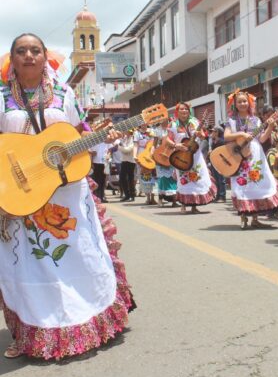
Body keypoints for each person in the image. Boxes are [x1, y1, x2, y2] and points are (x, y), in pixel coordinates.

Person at [0, 33, 133, 359]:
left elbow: (78, 132)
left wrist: (103, 135)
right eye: (22, 51)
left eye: (36, 50)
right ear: (12, 59)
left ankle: (90, 322)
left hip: (66, 193)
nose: (29, 55)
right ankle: (28, 333)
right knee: (27, 266)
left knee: (77, 256)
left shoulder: (64, 92)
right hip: (20, 195)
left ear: (46, 57)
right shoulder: (2, 96)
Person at [224, 90, 278, 229]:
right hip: (239, 155)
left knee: (256, 183)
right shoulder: (231, 120)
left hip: (255, 154)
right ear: (235, 104)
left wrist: (269, 126)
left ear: (249, 103)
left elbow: (262, 138)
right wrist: (241, 134)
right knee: (241, 184)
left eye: (245, 101)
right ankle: (244, 217)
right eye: (239, 101)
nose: (243, 104)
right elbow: (227, 136)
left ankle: (255, 218)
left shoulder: (256, 120)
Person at [166, 102, 216, 214]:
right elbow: (167, 140)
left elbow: (204, 135)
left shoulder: (195, 121)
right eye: (181, 109)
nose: (184, 111)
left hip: (196, 155)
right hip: (181, 155)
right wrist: (176, 145)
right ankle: (183, 205)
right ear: (177, 111)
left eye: (186, 109)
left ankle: (194, 205)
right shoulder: (172, 124)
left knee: (197, 179)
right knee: (184, 180)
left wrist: (201, 135)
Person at [154, 118, 178, 207]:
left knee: (173, 177)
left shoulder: (173, 127)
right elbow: (154, 144)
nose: (163, 120)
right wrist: (154, 154)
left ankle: (174, 201)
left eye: (165, 118)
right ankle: (160, 200)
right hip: (161, 155)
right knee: (161, 179)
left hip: (172, 154)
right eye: (161, 118)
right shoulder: (157, 130)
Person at [209, 125, 227, 202]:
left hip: (220, 162)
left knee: (221, 179)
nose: (212, 133)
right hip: (214, 162)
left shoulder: (221, 141)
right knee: (216, 179)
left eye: (214, 131)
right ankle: (218, 195)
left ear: (217, 132)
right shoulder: (213, 141)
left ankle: (222, 196)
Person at [119, 129, 136, 202]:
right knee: (122, 177)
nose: (126, 132)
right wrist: (122, 148)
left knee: (130, 178)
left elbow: (128, 150)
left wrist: (121, 148)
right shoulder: (124, 139)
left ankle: (132, 195)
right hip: (124, 160)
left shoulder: (133, 139)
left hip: (131, 161)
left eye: (128, 131)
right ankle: (127, 194)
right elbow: (120, 147)